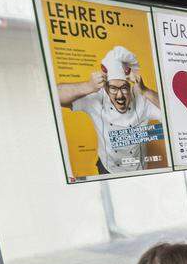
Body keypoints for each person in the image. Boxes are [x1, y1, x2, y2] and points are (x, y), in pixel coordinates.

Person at [57, 46, 162, 175]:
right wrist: (88, 86)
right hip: (108, 168)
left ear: (130, 85)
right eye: (113, 88)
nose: (119, 95)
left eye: (124, 88)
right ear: (106, 88)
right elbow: (55, 95)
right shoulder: (97, 97)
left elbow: (173, 114)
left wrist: (145, 90)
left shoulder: (141, 98)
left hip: (137, 170)